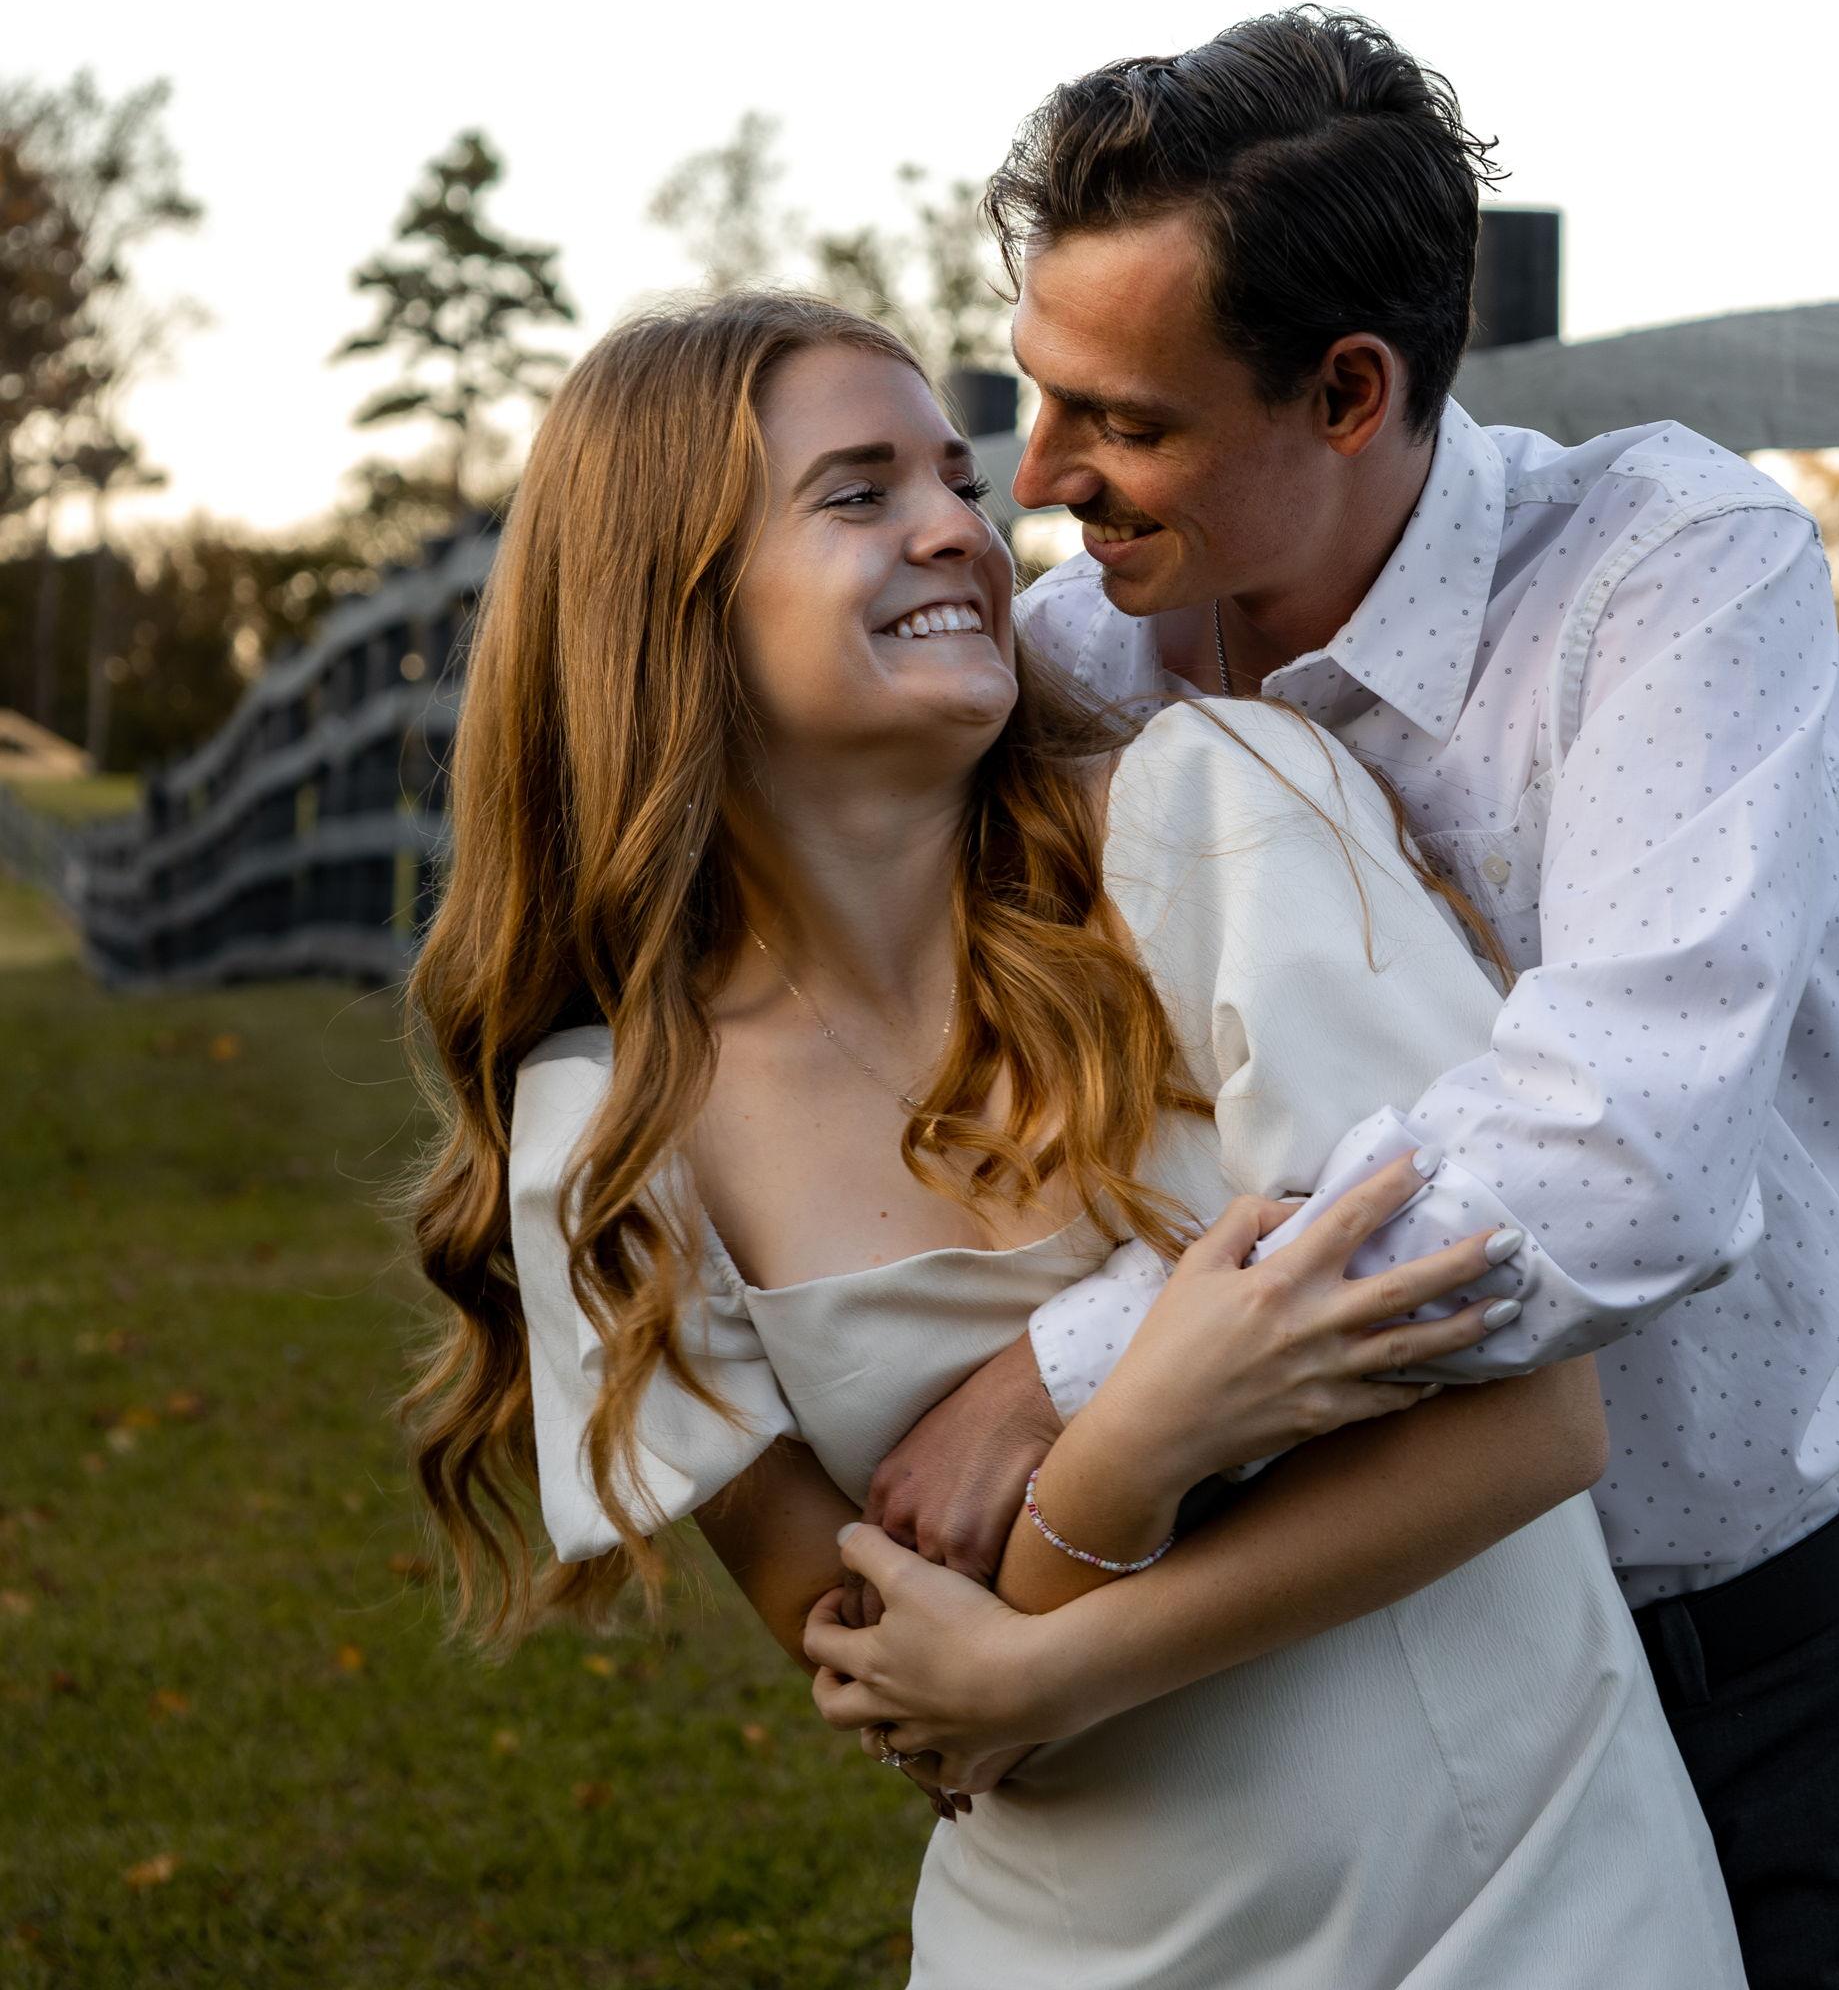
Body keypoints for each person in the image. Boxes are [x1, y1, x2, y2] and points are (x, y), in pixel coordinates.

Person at [400, 289, 1747, 1986]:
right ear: (665, 606)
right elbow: (906, 1682)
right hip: (1073, 1943)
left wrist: (1058, 1633)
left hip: (1525, 1889)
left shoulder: (1220, 819)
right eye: (860, 493)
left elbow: (1537, 1425)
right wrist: (1133, 1447)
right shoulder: (607, 1141)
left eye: (956, 481)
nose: (961, 529)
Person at [853, 3, 1839, 1990]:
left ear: (1350, 390)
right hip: (1320, 1699)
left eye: (1125, 421)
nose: (1042, 478)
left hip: (1745, 1675)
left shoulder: (1668, 574)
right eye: (1039, 396)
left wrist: (1071, 1375)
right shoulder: (1069, 671)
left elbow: (1613, 1157)